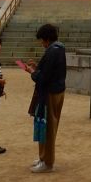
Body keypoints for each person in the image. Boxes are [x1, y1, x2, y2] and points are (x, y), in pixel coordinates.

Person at [23, 23, 67, 173]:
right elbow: (51, 71)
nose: (42, 43)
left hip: (49, 92)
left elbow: (44, 78)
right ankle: (43, 157)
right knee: (48, 126)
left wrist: (32, 72)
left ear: (47, 39)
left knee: (47, 128)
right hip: (57, 91)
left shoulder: (51, 52)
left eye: (42, 40)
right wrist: (38, 67)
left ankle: (47, 162)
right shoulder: (59, 49)